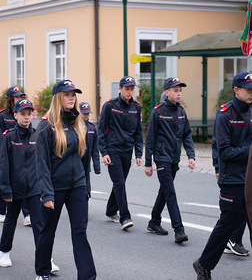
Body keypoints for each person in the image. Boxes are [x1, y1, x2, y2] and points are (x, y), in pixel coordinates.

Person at [35, 80, 96, 280]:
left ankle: (87, 277)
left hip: (77, 186)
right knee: (48, 231)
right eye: (67, 94)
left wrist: (86, 186)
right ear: (58, 97)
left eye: (74, 94)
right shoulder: (46, 126)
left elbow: (84, 159)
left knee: (80, 232)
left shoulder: (80, 123)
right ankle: (42, 271)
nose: (72, 98)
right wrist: (46, 193)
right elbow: (41, 163)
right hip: (54, 188)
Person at [193, 72, 252, 280]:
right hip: (233, 180)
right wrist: (250, 150)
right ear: (236, 90)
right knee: (226, 225)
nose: (251, 93)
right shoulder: (224, 115)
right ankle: (203, 264)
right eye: (248, 90)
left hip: (250, 178)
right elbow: (224, 152)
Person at [145, 77, 195, 243]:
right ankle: (179, 230)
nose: (179, 93)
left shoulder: (181, 112)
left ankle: (154, 221)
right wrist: (147, 163)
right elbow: (150, 139)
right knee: (170, 192)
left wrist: (191, 156)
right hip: (161, 158)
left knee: (165, 190)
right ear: (167, 92)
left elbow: (187, 135)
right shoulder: (157, 112)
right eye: (175, 90)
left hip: (174, 158)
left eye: (180, 90)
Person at [0, 99, 43, 267]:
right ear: (15, 115)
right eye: (22, 114)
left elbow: (41, 163)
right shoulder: (9, 137)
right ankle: (4, 251)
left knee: (39, 223)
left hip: (34, 189)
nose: (26, 117)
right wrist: (6, 190)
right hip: (15, 188)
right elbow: (4, 165)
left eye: (29, 114)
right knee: (11, 220)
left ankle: (44, 258)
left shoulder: (37, 135)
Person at [98, 76, 143, 230]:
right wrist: (104, 152)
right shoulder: (110, 105)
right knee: (119, 182)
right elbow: (101, 130)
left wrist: (138, 153)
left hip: (127, 151)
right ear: (120, 88)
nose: (129, 91)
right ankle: (125, 217)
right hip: (113, 149)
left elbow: (138, 132)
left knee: (120, 181)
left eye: (132, 88)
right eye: (127, 88)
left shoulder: (136, 107)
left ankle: (111, 210)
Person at [212, 119, 251, 256]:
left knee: (244, 210)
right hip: (231, 173)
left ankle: (234, 240)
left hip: (245, 171)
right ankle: (205, 262)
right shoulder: (225, 115)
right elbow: (218, 145)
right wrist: (217, 167)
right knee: (231, 215)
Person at [0, 86, 31, 226]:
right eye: (16, 97)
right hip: (8, 152)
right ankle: (1, 211)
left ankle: (27, 214)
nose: (19, 99)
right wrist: (2, 155)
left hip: (21, 153)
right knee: (5, 182)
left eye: (20, 97)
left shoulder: (24, 114)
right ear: (10, 99)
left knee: (24, 181)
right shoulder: (2, 116)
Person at [79, 102, 101, 198]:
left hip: (87, 160)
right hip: (77, 160)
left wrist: (97, 167)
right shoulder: (75, 126)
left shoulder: (92, 127)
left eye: (87, 114)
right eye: (84, 114)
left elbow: (95, 150)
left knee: (86, 181)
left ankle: (86, 197)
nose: (86, 116)